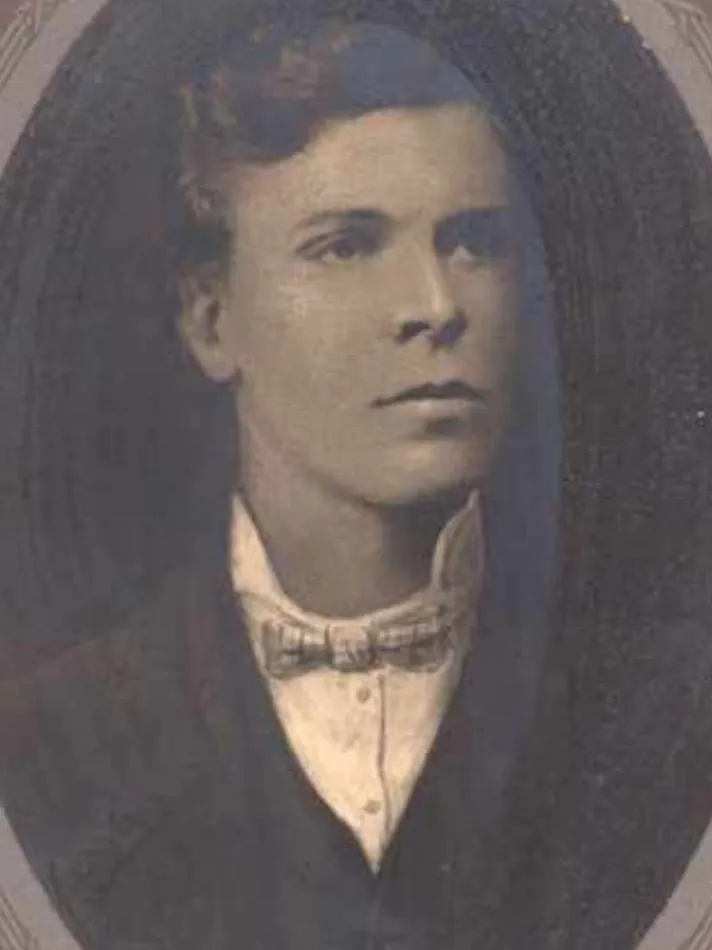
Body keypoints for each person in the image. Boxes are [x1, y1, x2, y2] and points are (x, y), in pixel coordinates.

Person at [0, 2, 711, 949]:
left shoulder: (659, 719)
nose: (435, 305)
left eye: (472, 240)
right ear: (212, 321)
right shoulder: (54, 739)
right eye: (347, 245)